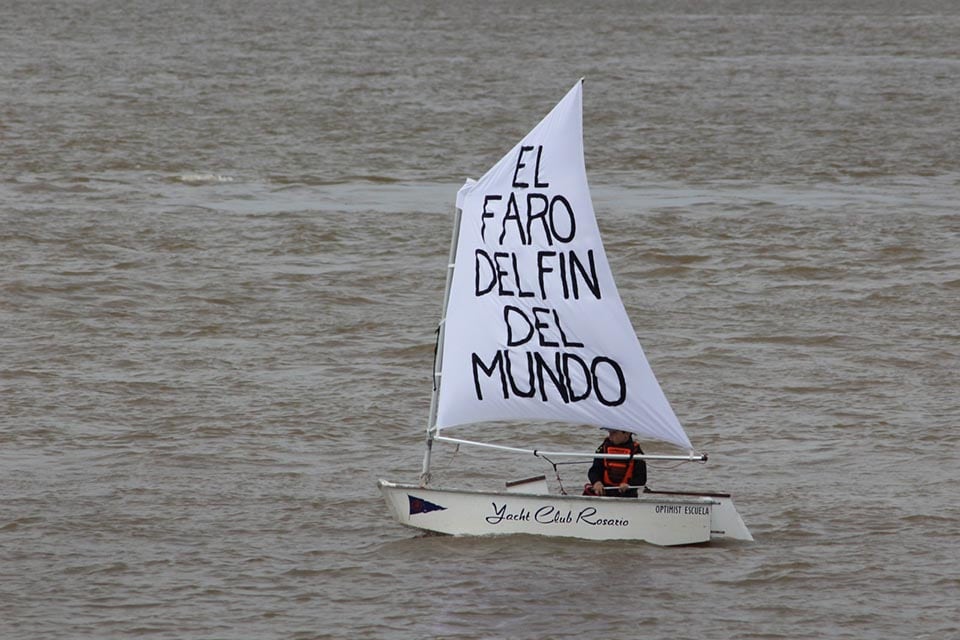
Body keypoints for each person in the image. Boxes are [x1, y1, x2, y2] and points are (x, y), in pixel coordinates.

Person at [585, 428, 646, 497]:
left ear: (627, 434)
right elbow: (594, 470)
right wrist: (596, 482)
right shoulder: (603, 448)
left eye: (614, 433)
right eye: (609, 432)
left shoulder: (636, 452)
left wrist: (629, 485)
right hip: (605, 493)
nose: (610, 435)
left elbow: (641, 478)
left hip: (626, 495)